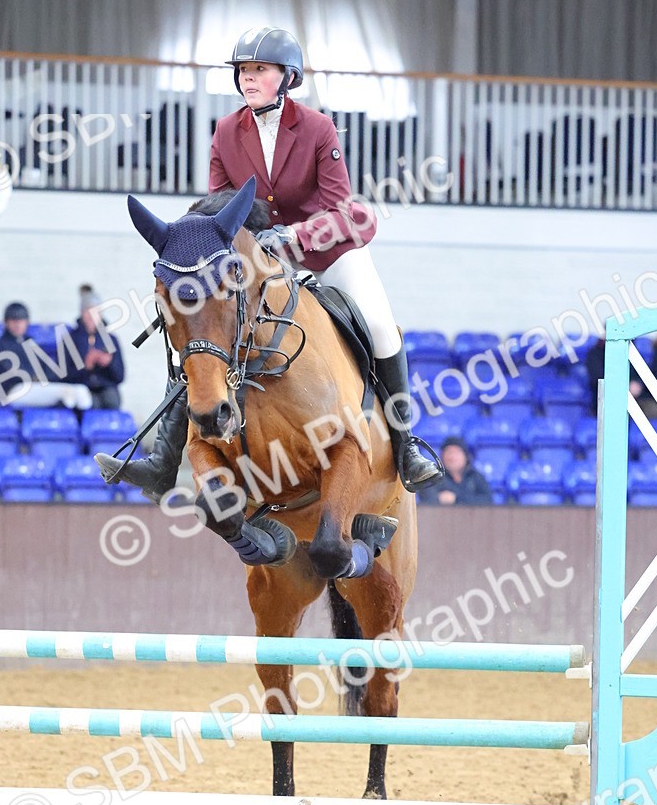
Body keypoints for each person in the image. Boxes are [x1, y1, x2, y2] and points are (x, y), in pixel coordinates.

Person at [115, 25, 442, 502]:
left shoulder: (317, 128)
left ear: (286, 77)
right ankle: (165, 455)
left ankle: (405, 443)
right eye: (243, 71)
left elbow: (337, 206)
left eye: (259, 70)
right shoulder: (227, 131)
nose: (248, 79)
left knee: (380, 325)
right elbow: (217, 207)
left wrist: (292, 236)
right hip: (258, 263)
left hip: (324, 249)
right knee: (200, 325)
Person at [0, 302, 92, 409]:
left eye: (21, 320)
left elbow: (49, 369)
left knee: (81, 390)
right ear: (6, 323)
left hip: (38, 387)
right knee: (66, 395)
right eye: (13, 321)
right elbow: (9, 372)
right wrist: (35, 377)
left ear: (27, 322)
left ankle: (79, 422)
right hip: (16, 390)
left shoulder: (31, 343)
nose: (18, 324)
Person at [64, 289, 125, 409]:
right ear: (82, 313)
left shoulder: (111, 340)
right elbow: (64, 376)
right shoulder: (71, 339)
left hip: (106, 389)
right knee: (88, 402)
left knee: (111, 400)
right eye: (88, 311)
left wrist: (109, 363)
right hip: (82, 388)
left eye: (96, 311)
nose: (92, 315)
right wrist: (86, 366)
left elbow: (120, 376)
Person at [417, 436, 493, 506]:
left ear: (466, 456)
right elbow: (427, 502)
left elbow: (488, 501)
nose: (452, 457)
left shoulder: (476, 477)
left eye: (456, 452)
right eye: (449, 452)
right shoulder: (433, 478)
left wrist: (456, 499)